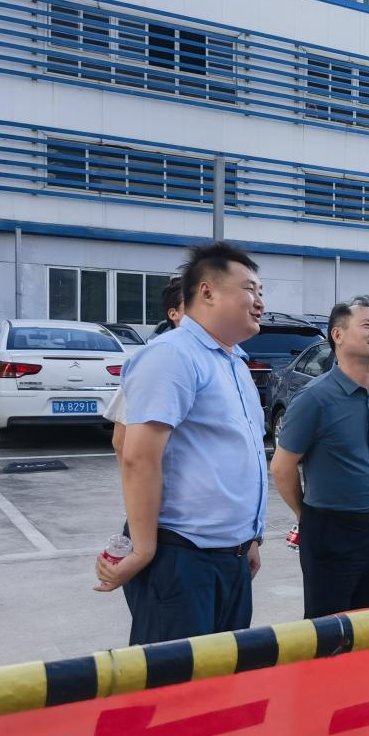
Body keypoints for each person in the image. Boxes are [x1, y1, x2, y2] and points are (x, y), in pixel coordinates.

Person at [95, 242, 268, 645]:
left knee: (222, 673)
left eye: (261, 292)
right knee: (174, 677)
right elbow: (137, 456)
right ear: (207, 291)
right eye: (250, 289)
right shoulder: (172, 356)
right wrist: (142, 550)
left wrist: (248, 539)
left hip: (230, 556)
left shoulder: (234, 363)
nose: (260, 302)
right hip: (181, 558)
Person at [270, 296, 369, 618]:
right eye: (367, 325)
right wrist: (306, 516)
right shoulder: (314, 398)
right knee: (328, 630)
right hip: (331, 530)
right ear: (337, 335)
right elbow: (282, 467)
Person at [106, 275, 185, 464]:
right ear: (173, 314)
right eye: (193, 303)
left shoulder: (229, 358)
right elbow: (122, 442)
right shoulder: (158, 360)